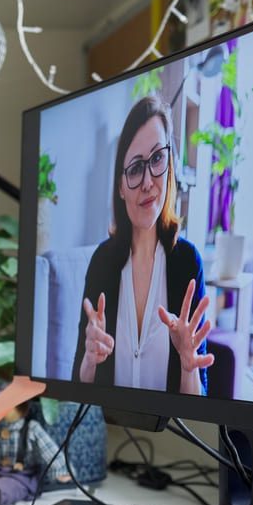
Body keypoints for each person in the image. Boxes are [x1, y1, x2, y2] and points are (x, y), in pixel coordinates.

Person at [72, 94, 214, 395]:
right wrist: (90, 359)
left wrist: (189, 368)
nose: (148, 181)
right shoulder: (102, 261)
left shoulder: (188, 261)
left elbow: (197, 404)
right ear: (121, 187)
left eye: (157, 159)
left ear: (170, 163)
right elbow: (78, 384)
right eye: (135, 168)